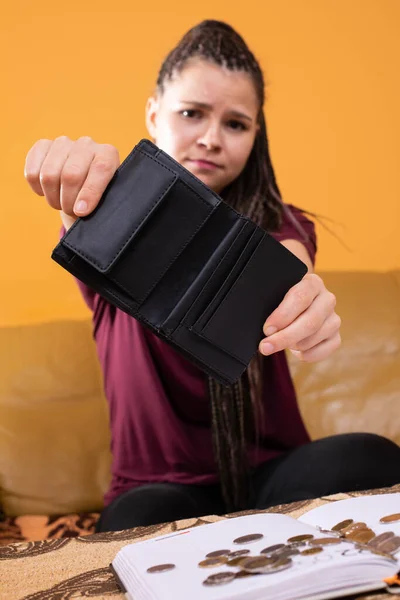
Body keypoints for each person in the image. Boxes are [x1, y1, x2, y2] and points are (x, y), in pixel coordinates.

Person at [24, 20, 400, 533]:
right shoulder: (108, 217)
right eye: (191, 113)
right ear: (154, 113)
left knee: (369, 456)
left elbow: (291, 260)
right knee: (132, 524)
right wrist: (70, 186)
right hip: (156, 488)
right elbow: (79, 219)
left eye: (236, 124)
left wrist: (306, 301)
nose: (210, 138)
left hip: (270, 476)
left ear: (255, 137)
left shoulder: (280, 221)